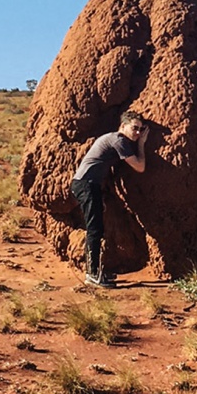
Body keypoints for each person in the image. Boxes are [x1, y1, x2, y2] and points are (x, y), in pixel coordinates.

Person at [70, 110, 149, 286]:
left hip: (90, 184)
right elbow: (140, 167)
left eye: (141, 130)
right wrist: (142, 144)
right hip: (86, 184)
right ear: (123, 126)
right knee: (94, 229)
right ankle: (92, 275)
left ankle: (96, 270)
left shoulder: (115, 139)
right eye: (134, 128)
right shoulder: (119, 140)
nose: (137, 133)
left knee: (97, 228)